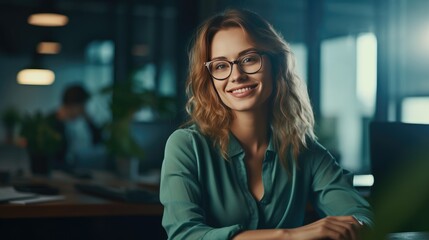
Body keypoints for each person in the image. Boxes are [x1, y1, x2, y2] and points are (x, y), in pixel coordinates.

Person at [160, 9, 373, 240]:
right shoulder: (186, 145)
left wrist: (357, 224)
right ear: (209, 79)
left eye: (249, 59)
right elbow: (184, 235)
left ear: (276, 64)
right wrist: (288, 236)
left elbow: (360, 215)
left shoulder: (303, 149)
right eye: (221, 66)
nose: (236, 76)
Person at [47, 85, 102, 170]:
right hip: (56, 172)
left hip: (76, 170)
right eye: (82, 107)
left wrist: (89, 120)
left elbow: (98, 140)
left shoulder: (81, 122)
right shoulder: (51, 122)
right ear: (72, 105)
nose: (83, 110)